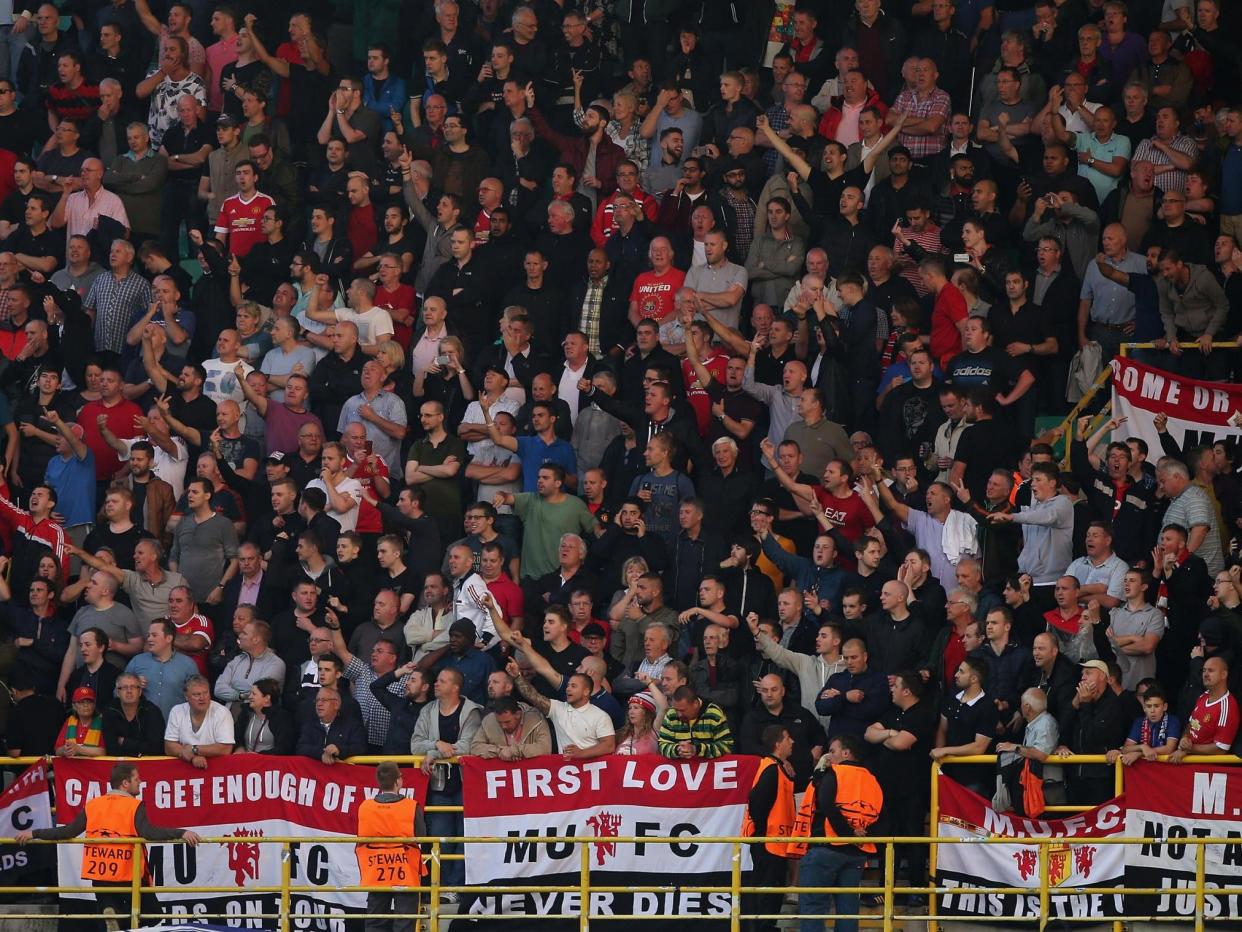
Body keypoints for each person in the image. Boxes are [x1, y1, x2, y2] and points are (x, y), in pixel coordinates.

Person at [16, 762, 200, 930]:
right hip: (127, 873)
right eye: (137, 779)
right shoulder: (134, 805)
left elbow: (67, 832)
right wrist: (181, 833)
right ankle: (121, 919)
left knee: (111, 907)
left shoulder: (93, 804)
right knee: (152, 916)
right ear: (125, 783)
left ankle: (110, 911)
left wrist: (34, 833)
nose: (140, 782)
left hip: (99, 872)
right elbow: (148, 832)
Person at [796, 734, 883, 932]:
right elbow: (880, 814)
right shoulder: (872, 779)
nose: (828, 756)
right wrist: (861, 834)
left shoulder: (832, 773)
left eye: (832, 751)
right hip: (855, 854)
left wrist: (848, 833)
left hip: (827, 847)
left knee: (813, 907)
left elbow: (826, 804)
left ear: (846, 752)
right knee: (848, 910)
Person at [356, 761, 427, 932]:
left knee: (375, 922)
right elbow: (422, 837)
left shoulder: (365, 807)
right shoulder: (411, 807)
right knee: (404, 922)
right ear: (398, 781)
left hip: (376, 871)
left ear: (378, 782)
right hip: (405, 872)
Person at [740, 724, 798, 932]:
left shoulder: (777, 768)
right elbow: (757, 801)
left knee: (771, 889)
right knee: (766, 889)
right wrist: (763, 832)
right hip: (768, 842)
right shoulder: (771, 769)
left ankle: (766, 925)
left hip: (775, 842)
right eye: (788, 738)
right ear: (778, 743)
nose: (792, 742)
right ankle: (762, 927)